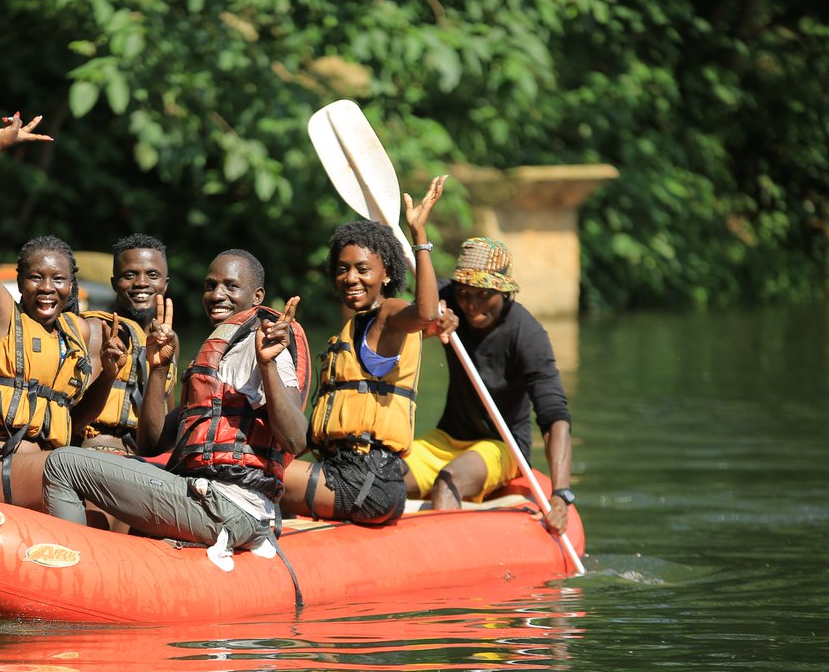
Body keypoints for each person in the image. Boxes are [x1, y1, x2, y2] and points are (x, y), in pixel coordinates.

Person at [42, 250, 310, 563]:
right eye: (210, 286)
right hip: (207, 496)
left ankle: (71, 572)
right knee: (104, 457)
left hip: (230, 504)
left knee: (62, 464)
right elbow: (150, 444)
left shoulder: (265, 345)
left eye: (230, 286)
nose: (216, 294)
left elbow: (296, 439)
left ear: (257, 295)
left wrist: (267, 364)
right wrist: (158, 369)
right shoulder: (216, 357)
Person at [280, 176, 457, 525]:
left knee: (251, 473)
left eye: (363, 269)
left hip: (368, 480)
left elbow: (422, 313)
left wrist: (419, 237)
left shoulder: (389, 315)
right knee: (257, 463)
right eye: (343, 269)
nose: (351, 277)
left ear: (387, 274)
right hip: (344, 470)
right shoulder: (362, 328)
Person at [0, 112, 92, 510]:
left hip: (44, 469)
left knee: (102, 483)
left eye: (58, 280)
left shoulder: (78, 333)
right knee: (75, 470)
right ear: (18, 280)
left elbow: (76, 417)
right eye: (35, 278)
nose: (47, 289)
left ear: (72, 285)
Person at [403, 236, 575, 534]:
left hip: (503, 446)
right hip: (445, 439)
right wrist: (430, 323)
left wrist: (561, 494)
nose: (471, 304)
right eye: (465, 292)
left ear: (505, 292)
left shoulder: (528, 334)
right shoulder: (446, 300)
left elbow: (554, 417)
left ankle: (451, 561)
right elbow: (396, 329)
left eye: (484, 294)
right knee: (381, 476)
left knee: (448, 481)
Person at [72, 233, 176, 455]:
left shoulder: (168, 342)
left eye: (152, 275)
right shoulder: (93, 331)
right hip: (95, 450)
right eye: (130, 275)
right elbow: (71, 423)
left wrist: (160, 367)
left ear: (165, 285)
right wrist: (108, 376)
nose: (141, 283)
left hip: (142, 459)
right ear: (114, 283)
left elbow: (162, 438)